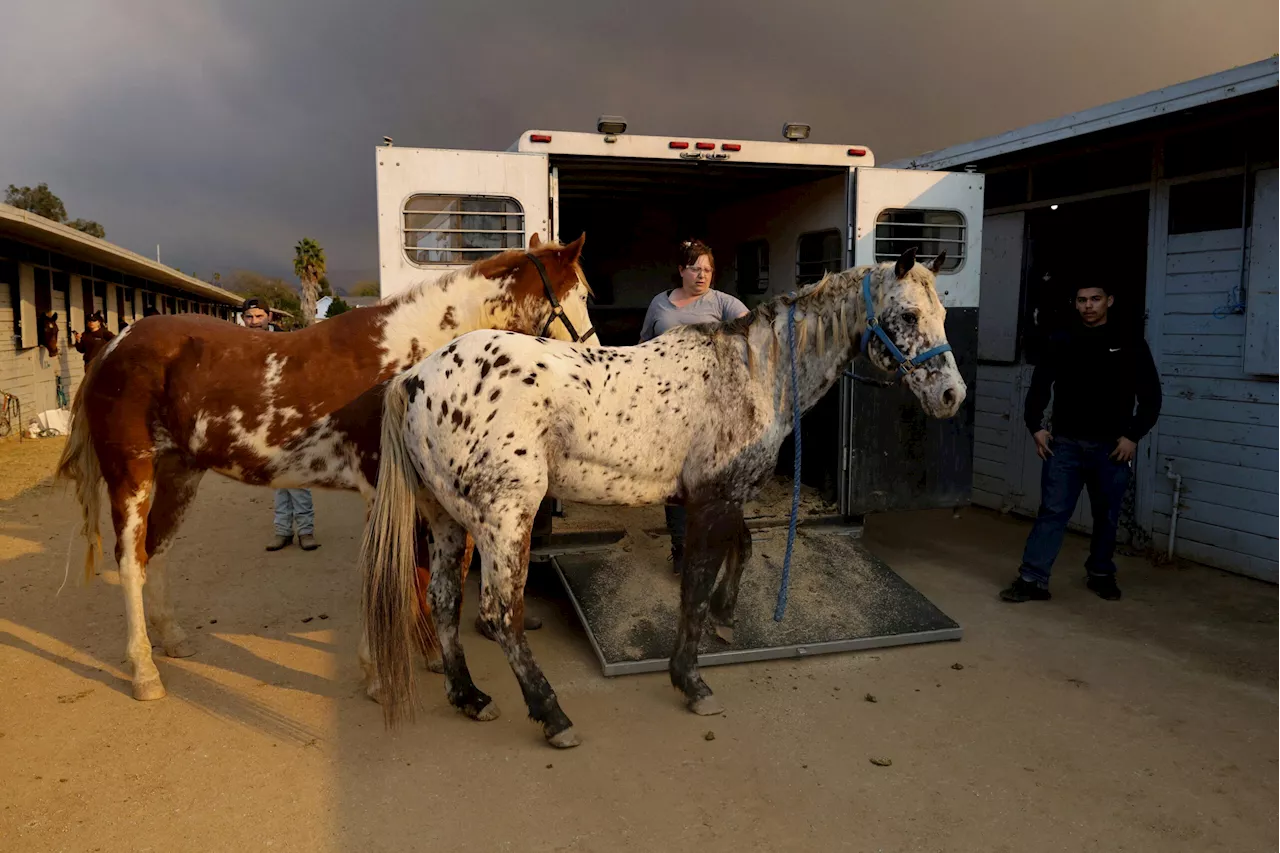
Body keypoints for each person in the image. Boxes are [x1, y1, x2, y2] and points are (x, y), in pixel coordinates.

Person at [1001, 283, 1161, 604]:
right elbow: (1040, 386)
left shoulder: (1129, 343)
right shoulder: (1061, 340)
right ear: (1075, 304)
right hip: (1065, 446)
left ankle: (1101, 573)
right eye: (1082, 300)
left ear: (1109, 301)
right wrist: (1035, 426)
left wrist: (1132, 436)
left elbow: (1151, 397)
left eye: (1095, 299)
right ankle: (1033, 579)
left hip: (1112, 448)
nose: (1088, 306)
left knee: (1107, 515)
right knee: (1053, 512)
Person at [639, 239, 749, 572]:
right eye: (694, 268)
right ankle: (681, 549)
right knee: (675, 480)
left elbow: (754, 328)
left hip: (710, 405)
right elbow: (643, 345)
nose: (701, 275)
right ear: (681, 270)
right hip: (667, 403)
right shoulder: (660, 304)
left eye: (707, 269)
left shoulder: (723, 303)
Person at [242, 297, 320, 552]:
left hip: (289, 416)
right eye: (249, 317)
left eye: (259, 316)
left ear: (269, 317)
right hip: (261, 421)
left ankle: (305, 531)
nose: (254, 322)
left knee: (295, 475)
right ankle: (283, 531)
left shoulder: (287, 343)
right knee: (276, 477)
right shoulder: (239, 345)